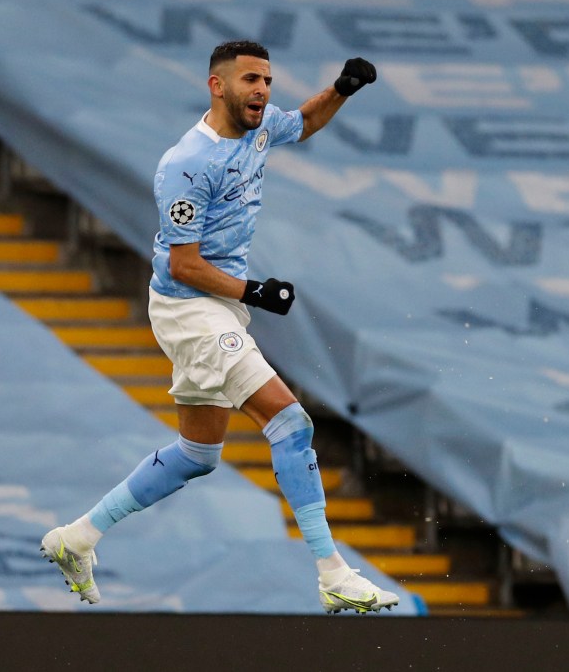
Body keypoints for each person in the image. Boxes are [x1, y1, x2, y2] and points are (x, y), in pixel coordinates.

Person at [42, 40, 398, 615]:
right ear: (217, 85)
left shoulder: (259, 130)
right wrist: (256, 291)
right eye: (250, 80)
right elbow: (183, 263)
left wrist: (342, 90)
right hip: (190, 306)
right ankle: (333, 572)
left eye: (267, 81)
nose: (261, 90)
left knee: (198, 454)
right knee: (290, 421)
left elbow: (303, 123)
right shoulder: (186, 163)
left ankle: (77, 537)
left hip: (214, 306)